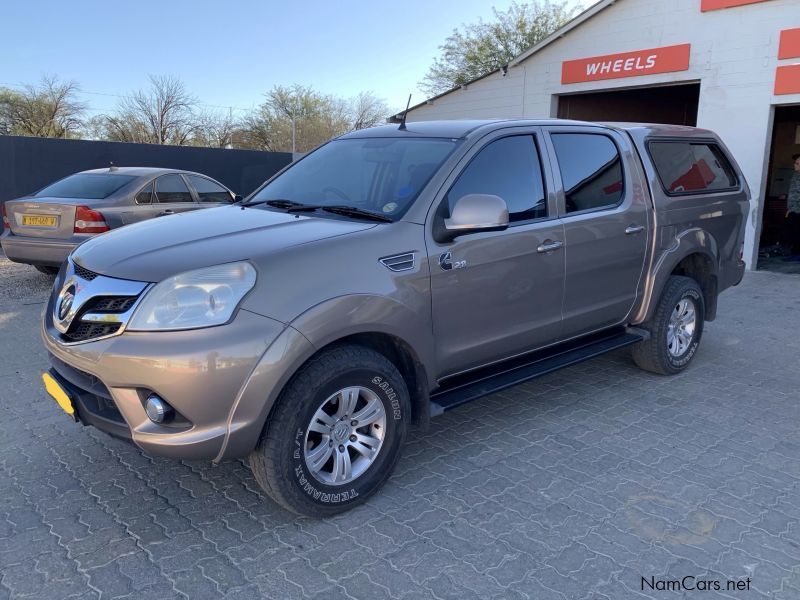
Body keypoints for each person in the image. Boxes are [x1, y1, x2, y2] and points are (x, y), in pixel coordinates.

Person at [782, 153, 800, 260]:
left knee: (797, 233)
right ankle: (794, 253)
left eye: (797, 163)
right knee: (793, 232)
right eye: (795, 163)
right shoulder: (796, 175)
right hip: (793, 209)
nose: (795, 165)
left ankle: (797, 254)